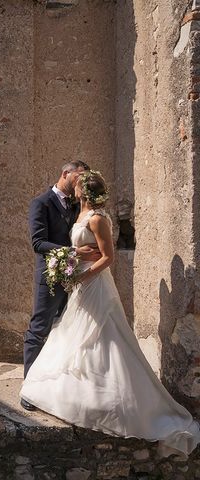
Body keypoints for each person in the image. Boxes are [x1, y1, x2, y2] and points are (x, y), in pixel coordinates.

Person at [20, 170, 200, 457]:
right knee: (75, 334)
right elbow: (73, 247)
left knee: (104, 335)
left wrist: (82, 277)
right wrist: (72, 261)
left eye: (78, 186)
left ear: (84, 191)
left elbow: (108, 257)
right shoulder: (80, 213)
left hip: (95, 285)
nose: (74, 189)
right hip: (80, 283)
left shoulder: (97, 218)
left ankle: (127, 401)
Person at [22, 160, 100, 411]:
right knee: (39, 329)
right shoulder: (41, 203)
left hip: (74, 278)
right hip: (49, 277)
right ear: (65, 172)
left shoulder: (78, 205)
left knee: (66, 329)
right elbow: (38, 243)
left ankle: (57, 386)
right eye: (79, 176)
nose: (80, 182)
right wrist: (74, 252)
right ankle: (28, 389)